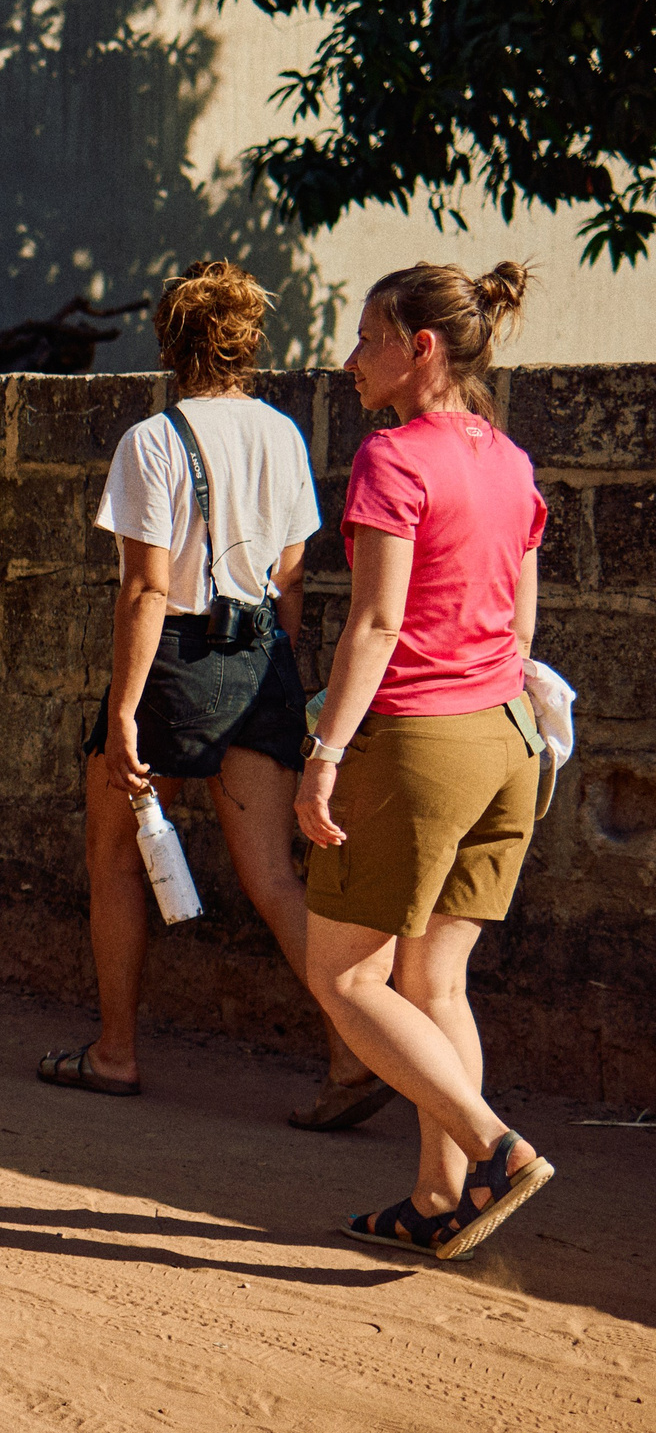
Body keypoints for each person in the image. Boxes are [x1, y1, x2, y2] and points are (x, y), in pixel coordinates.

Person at [38, 261, 383, 1127]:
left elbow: (146, 589)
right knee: (272, 876)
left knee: (115, 856)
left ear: (171, 341)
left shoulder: (153, 442)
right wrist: (272, 666)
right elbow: (292, 579)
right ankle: (352, 1051)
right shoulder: (283, 436)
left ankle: (116, 1051)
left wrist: (123, 712)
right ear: (247, 344)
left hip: (172, 662)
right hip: (260, 655)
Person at [298, 261, 555, 1261]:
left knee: (343, 974)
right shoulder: (511, 461)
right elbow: (521, 630)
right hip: (507, 742)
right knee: (434, 981)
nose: (351, 360)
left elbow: (375, 624)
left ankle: (494, 1148)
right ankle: (439, 1195)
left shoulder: (392, 457)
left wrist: (325, 753)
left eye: (368, 338)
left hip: (421, 743)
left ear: (421, 347)